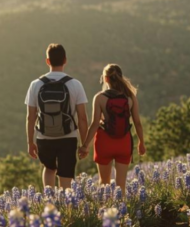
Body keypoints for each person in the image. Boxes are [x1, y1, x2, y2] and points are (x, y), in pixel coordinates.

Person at [25, 43, 89, 189]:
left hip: (44, 136)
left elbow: (31, 117)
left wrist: (30, 142)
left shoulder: (35, 84)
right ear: (65, 60)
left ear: (47, 61)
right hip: (68, 136)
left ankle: (50, 205)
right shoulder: (75, 84)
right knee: (66, 173)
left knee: (49, 168)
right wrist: (84, 145)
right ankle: (65, 208)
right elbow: (83, 118)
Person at [78, 64, 146, 191]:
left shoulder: (99, 98)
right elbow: (137, 123)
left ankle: (106, 210)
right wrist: (141, 142)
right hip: (124, 143)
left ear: (105, 79)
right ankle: (121, 209)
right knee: (121, 186)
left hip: (104, 142)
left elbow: (94, 124)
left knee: (104, 183)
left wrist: (85, 145)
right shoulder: (131, 97)